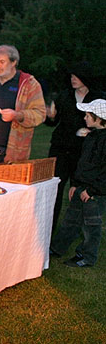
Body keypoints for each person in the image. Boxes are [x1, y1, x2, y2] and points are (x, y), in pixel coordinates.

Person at [45, 63, 103, 228]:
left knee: (78, 195)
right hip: (61, 150)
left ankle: (72, 233)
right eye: (71, 76)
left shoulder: (99, 98)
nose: (73, 79)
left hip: (84, 153)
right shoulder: (64, 96)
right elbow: (54, 122)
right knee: (54, 190)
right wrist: (50, 117)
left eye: (76, 76)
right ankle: (48, 230)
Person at [49, 99, 106, 267]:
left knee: (91, 226)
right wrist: (75, 183)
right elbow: (82, 162)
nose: (84, 118)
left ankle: (87, 256)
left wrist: (92, 190)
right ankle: (57, 248)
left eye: (88, 115)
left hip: (95, 193)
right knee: (70, 220)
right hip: (82, 186)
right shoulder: (91, 136)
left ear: (99, 118)